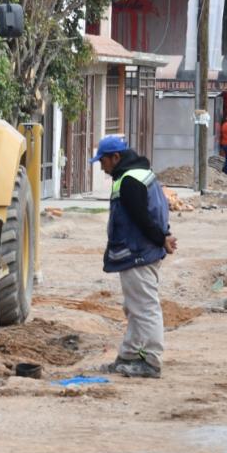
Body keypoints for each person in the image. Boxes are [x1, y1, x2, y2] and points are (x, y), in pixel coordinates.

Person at [90, 136, 177, 379]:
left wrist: (161, 237)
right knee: (135, 307)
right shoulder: (141, 173)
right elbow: (156, 210)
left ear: (116, 157)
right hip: (143, 251)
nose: (102, 167)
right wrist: (164, 236)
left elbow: (142, 217)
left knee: (145, 308)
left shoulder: (129, 180)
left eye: (103, 161)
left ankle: (151, 360)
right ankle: (129, 355)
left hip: (138, 252)